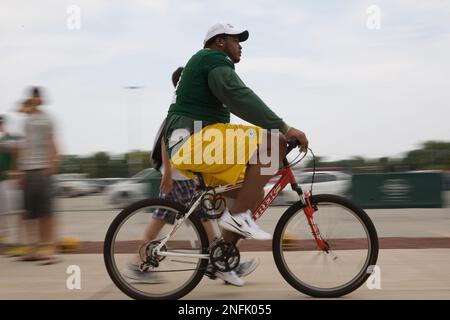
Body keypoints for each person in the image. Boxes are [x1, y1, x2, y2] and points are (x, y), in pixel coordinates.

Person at [163, 23, 308, 241]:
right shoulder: (212, 59)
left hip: (195, 142)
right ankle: (238, 217)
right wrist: (284, 128)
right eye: (236, 40)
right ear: (220, 42)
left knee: (253, 191)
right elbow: (240, 97)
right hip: (193, 141)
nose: (240, 46)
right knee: (274, 142)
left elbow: (238, 104)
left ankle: (224, 259)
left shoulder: (208, 65)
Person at [125, 68, 259, 286]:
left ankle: (223, 263)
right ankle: (222, 265)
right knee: (195, 219)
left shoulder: (188, 105)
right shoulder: (182, 108)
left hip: (184, 173)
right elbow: (167, 140)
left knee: (194, 218)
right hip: (179, 175)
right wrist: (167, 174)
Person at [17, 87, 61, 264]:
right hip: (28, 170)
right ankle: (33, 248)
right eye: (33, 97)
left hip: (43, 168)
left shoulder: (47, 118)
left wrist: (52, 163)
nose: (35, 99)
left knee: (46, 213)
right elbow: (25, 144)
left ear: (41, 99)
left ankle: (49, 249)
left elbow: (52, 142)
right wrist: (21, 170)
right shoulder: (27, 120)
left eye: (38, 97)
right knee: (29, 212)